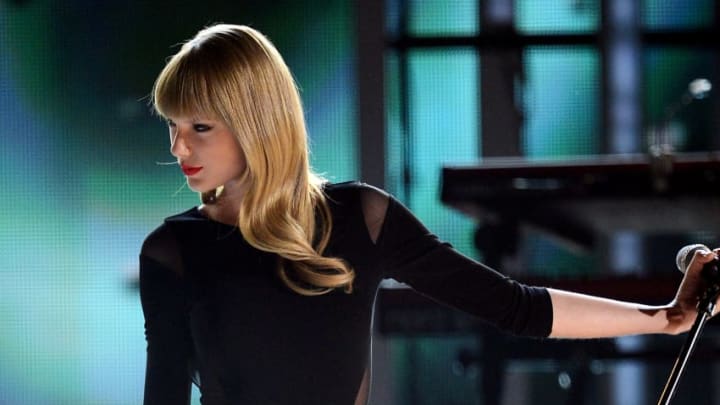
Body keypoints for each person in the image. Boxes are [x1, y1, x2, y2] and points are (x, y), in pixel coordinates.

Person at [139, 23, 718, 405]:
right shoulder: (172, 250)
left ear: (257, 122)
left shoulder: (359, 216)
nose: (178, 149)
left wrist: (665, 317)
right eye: (172, 126)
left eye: (199, 128)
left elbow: (513, 305)